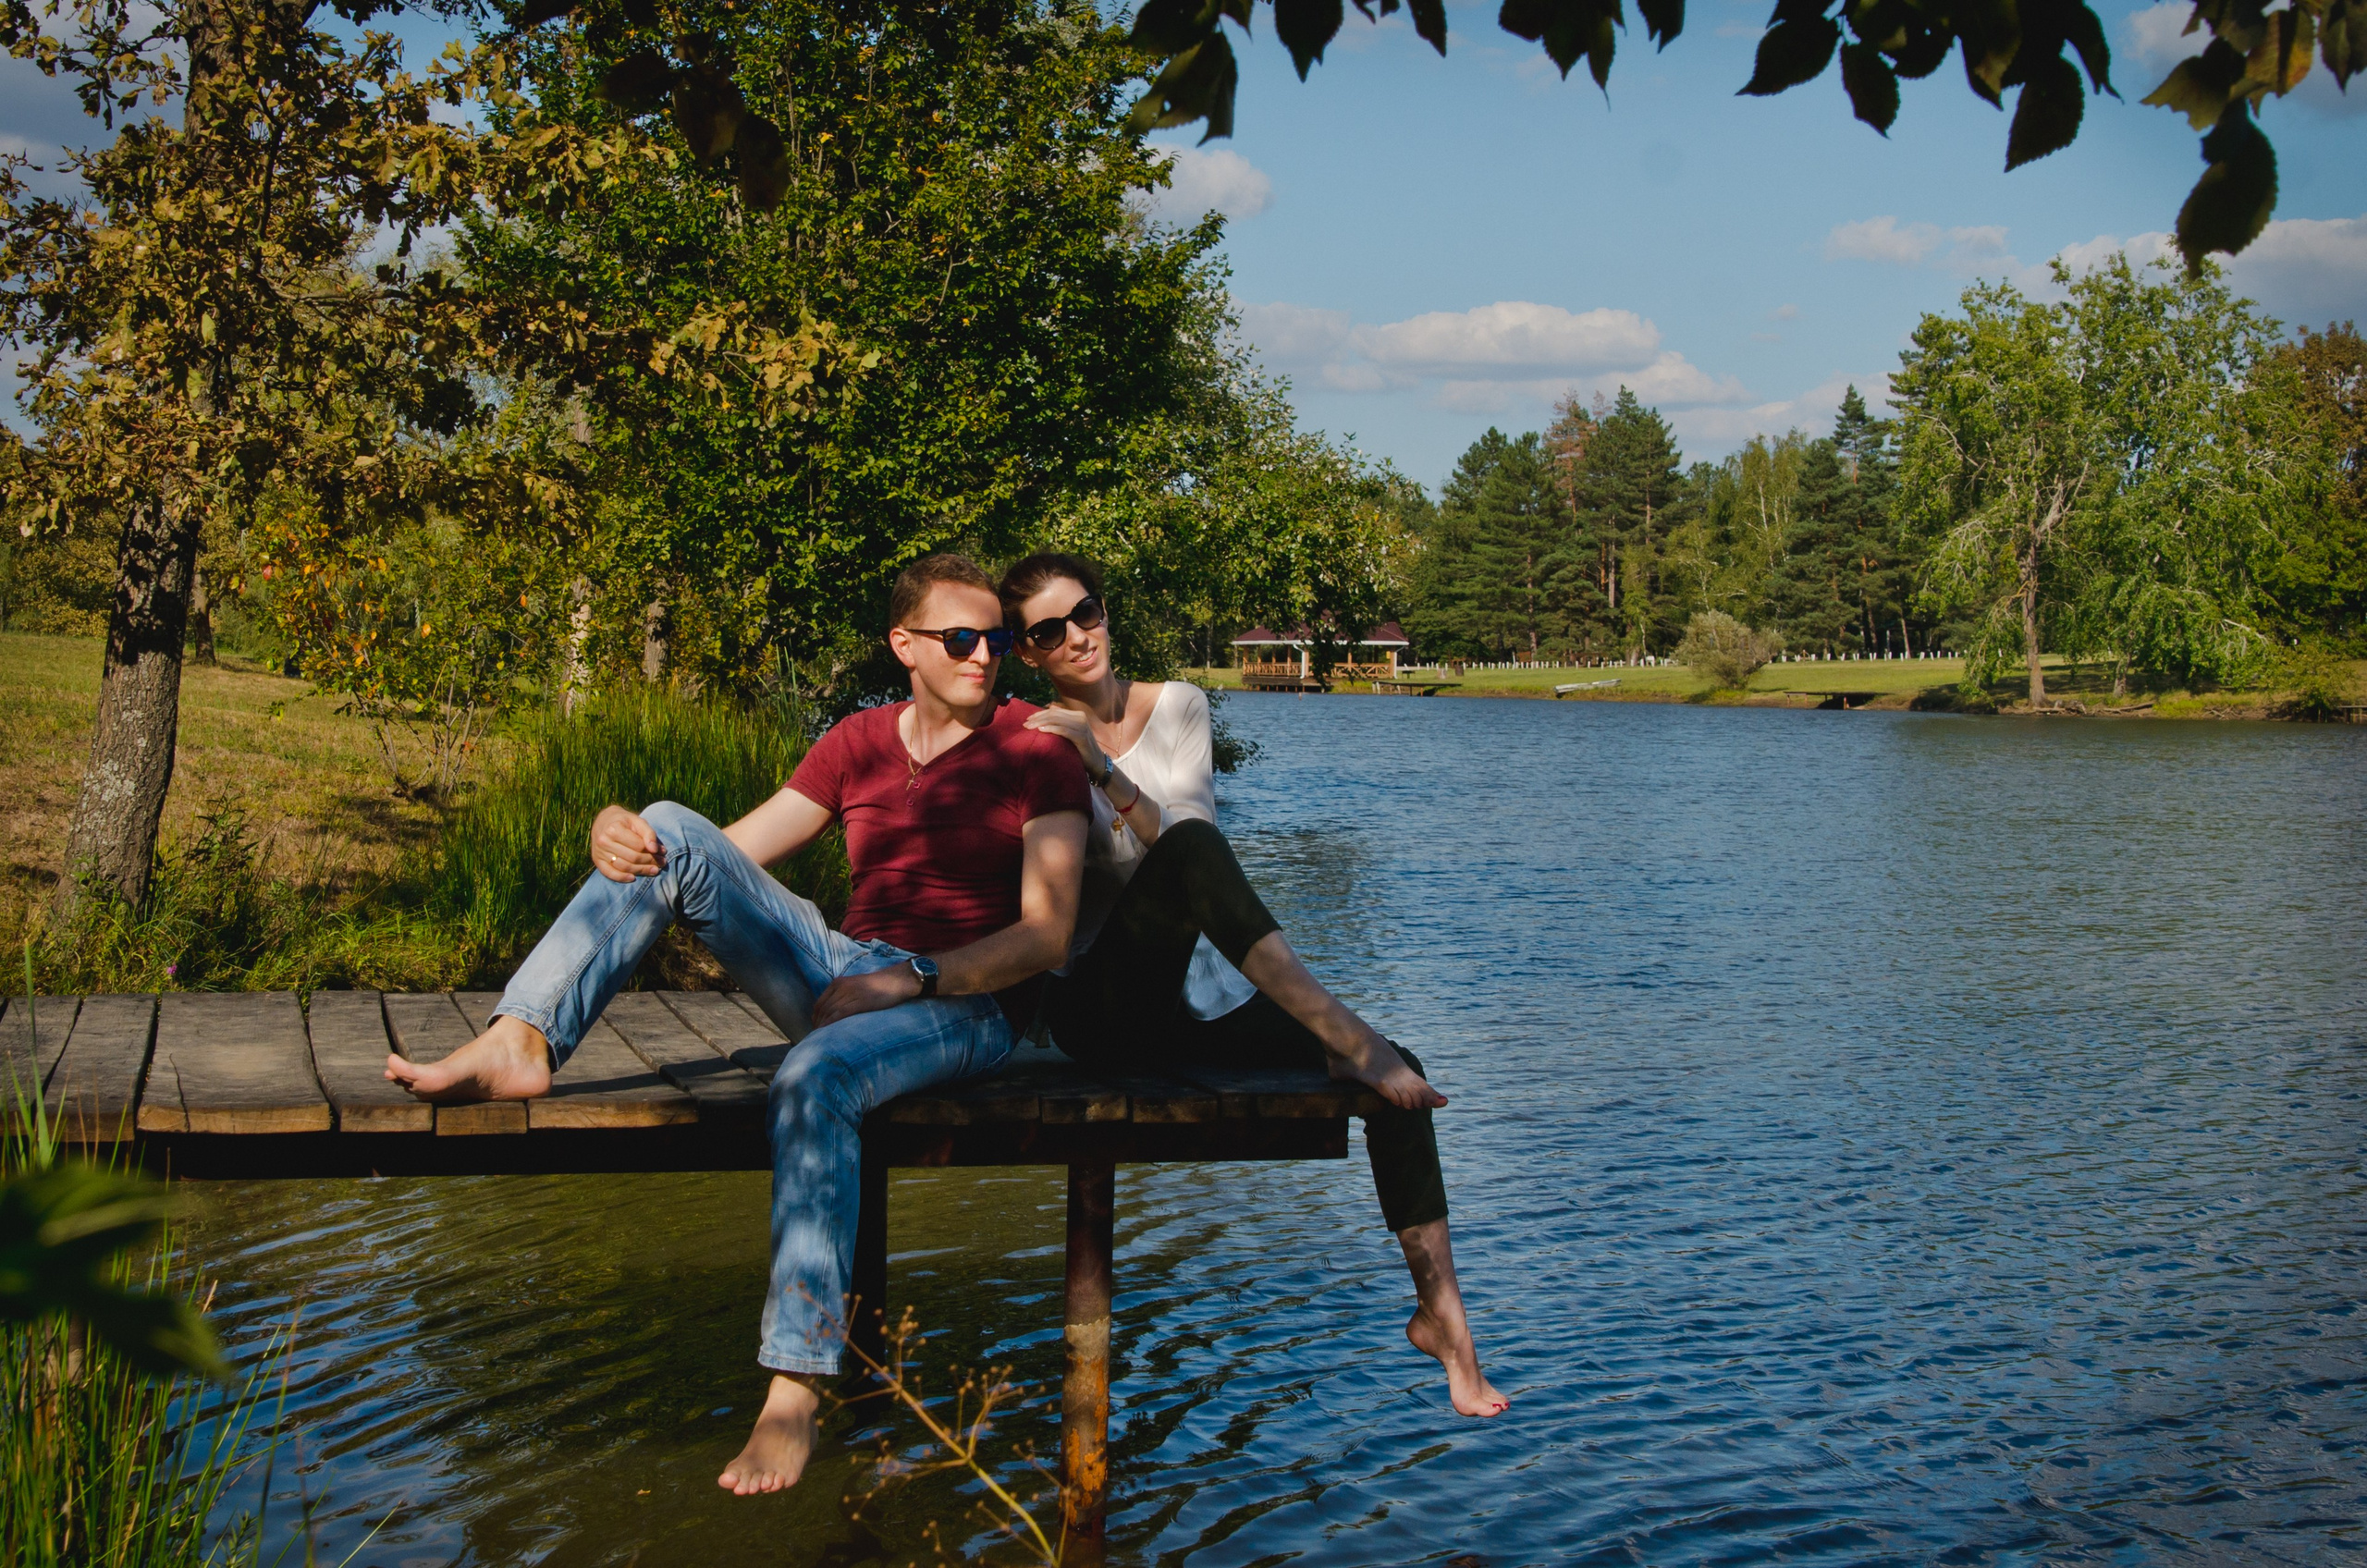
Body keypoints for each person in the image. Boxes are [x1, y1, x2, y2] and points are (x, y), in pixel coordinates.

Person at [385, 553, 1092, 1495]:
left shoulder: (1035, 750)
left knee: (815, 1077)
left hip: (966, 1007)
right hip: (846, 969)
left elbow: (1046, 935)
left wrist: (915, 980)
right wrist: (619, 834)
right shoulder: (856, 742)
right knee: (669, 824)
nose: (986, 657)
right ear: (905, 646)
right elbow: (719, 854)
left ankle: (795, 1382)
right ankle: (522, 1039)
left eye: (996, 640)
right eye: (962, 639)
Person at [998, 552, 1507, 1417]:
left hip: (1199, 1008)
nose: (1078, 637)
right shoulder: (1034, 737)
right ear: (1028, 653)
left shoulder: (1182, 706)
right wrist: (1078, 756)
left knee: (1402, 1073)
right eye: (1050, 631)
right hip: (1102, 1012)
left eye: (1085, 613)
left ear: (1106, 610)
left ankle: (1442, 1316)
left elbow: (1185, 842)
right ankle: (1349, 1036)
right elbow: (1173, 856)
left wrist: (1106, 767)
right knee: (1351, 1035)